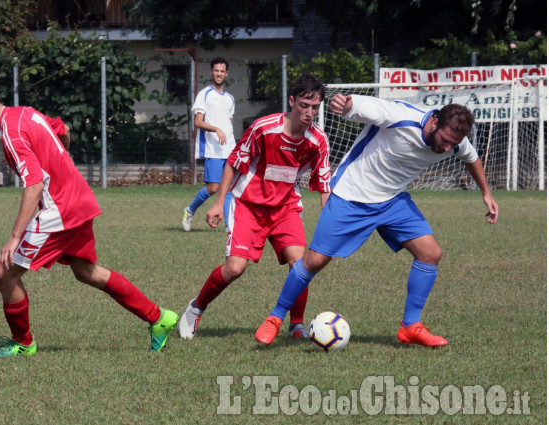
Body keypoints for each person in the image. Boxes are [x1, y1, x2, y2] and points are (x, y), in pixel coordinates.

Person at [0, 73, 178, 357]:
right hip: (79, 200)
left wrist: (13, 238)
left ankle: (23, 343)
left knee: (4, 274)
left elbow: (33, 185)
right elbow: (64, 129)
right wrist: (59, 161)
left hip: (60, 209)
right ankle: (159, 318)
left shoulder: (9, 130)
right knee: (86, 272)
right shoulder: (25, 114)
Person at [255, 93, 499, 347]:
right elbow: (361, 106)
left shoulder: (455, 141)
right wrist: (346, 104)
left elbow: (471, 158)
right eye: (446, 141)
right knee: (314, 260)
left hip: (392, 201)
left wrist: (486, 192)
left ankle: (411, 327)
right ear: (434, 121)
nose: (448, 148)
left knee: (430, 253)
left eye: (453, 144)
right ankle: (275, 318)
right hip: (351, 195)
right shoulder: (401, 117)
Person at [178, 74, 332, 340]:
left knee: (301, 263)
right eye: (304, 105)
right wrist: (217, 204)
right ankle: (196, 308)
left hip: (285, 207)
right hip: (248, 205)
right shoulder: (264, 128)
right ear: (292, 101)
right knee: (235, 269)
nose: (309, 112)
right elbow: (233, 163)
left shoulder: (318, 141)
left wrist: (331, 226)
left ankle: (296, 325)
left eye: (315, 107)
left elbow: (324, 185)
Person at [182, 57, 235, 231]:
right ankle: (190, 210)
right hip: (213, 150)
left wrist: (228, 135)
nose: (219, 74)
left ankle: (229, 227)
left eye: (222, 71)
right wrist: (217, 130)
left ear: (226, 73)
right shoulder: (204, 94)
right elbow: (198, 122)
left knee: (228, 189)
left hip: (229, 149)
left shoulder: (230, 98)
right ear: (211, 72)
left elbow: (229, 122)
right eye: (216, 70)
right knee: (213, 188)